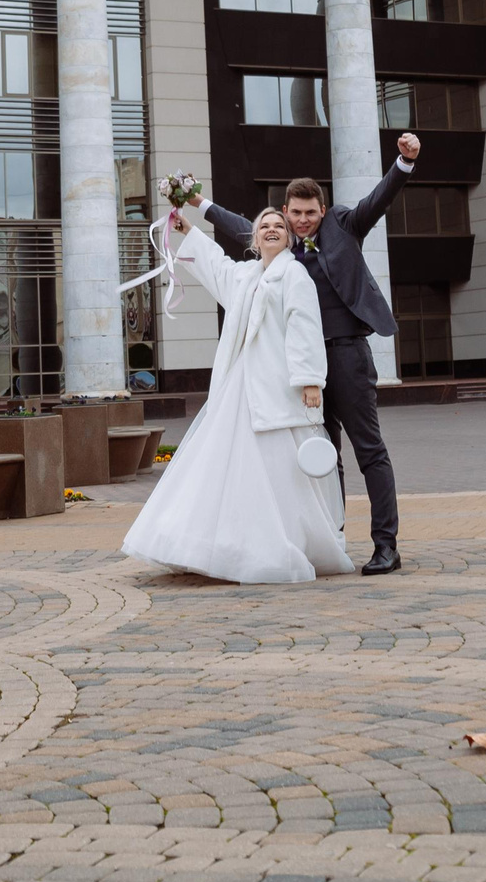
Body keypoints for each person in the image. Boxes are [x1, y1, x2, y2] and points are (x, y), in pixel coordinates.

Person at [197, 136, 418, 575]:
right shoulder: (279, 244)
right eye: (293, 214)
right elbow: (240, 224)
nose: (301, 221)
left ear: (322, 210)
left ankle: (386, 546)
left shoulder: (345, 225)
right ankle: (330, 540)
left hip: (348, 356)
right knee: (320, 456)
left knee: (368, 450)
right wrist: (198, 203)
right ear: (285, 212)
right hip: (300, 370)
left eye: (309, 213)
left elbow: (379, 198)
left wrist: (404, 162)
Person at [120, 207, 355, 584]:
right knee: (227, 465)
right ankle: (221, 545)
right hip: (241, 385)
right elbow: (216, 265)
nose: (273, 230)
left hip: (279, 387)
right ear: (255, 237)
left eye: (280, 226)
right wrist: (187, 231)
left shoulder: (295, 275)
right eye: (265, 226)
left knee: (279, 471)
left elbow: (305, 326)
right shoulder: (245, 276)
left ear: (290, 237)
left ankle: (283, 543)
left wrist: (311, 380)